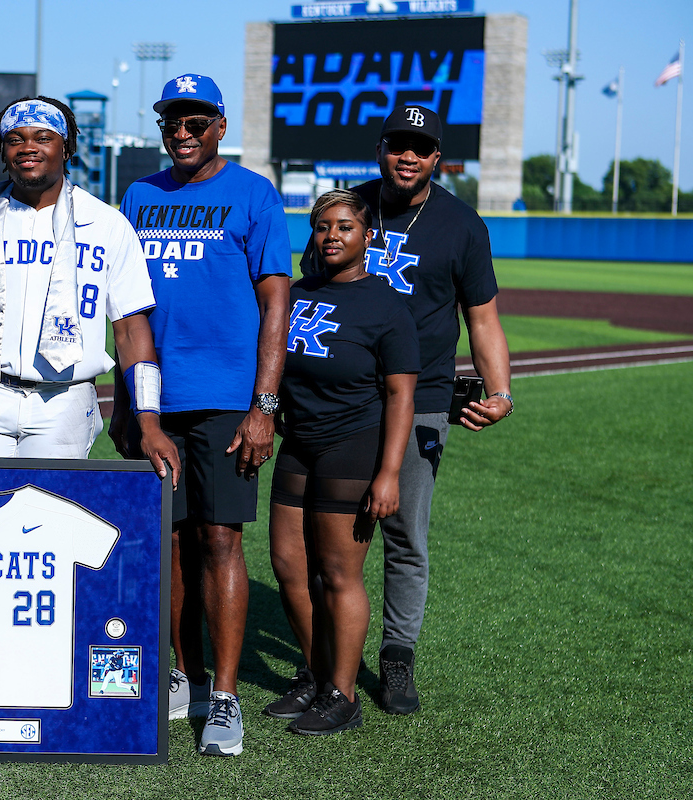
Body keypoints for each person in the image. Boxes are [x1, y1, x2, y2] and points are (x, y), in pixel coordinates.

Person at [301, 105, 512, 714]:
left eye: (420, 147)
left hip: (418, 399)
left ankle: (397, 656)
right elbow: (310, 291)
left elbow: (482, 317)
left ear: (437, 157)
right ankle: (325, 660)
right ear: (382, 150)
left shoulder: (461, 224)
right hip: (341, 400)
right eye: (398, 144)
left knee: (403, 532)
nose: (408, 155)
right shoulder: (351, 209)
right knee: (326, 537)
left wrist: (499, 391)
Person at [115, 74, 291, 757]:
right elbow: (126, 310)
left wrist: (264, 406)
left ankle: (225, 697)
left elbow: (276, 304)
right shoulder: (140, 195)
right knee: (169, 540)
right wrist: (130, 403)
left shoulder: (252, 193)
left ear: (219, 125)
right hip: (156, 397)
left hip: (225, 399)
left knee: (218, 539)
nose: (181, 133)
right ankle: (180, 675)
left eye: (195, 122)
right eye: (171, 123)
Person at [0, 96, 180, 480]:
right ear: (2, 149)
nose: (28, 147)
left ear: (66, 145)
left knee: (46, 525)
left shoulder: (107, 224)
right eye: (15, 138)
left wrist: (150, 422)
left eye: (43, 137)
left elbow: (129, 328)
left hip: (66, 399)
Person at [266, 190, 418, 735]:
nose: (332, 235)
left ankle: (342, 694)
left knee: (337, 574)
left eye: (345, 227)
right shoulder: (298, 291)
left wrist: (389, 473)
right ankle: (312, 673)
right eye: (323, 226)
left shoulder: (387, 304)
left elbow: (402, 395)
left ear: (367, 236)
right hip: (298, 443)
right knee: (287, 566)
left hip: (351, 444)